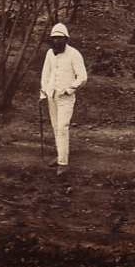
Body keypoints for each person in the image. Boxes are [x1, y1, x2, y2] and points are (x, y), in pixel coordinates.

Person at [39, 23, 88, 176]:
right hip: (51, 96)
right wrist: (43, 93)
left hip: (65, 98)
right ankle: (60, 155)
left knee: (62, 127)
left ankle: (63, 163)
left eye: (60, 38)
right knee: (55, 127)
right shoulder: (49, 54)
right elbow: (45, 74)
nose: (56, 42)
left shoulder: (74, 54)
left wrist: (69, 89)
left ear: (66, 39)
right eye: (54, 38)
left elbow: (83, 77)